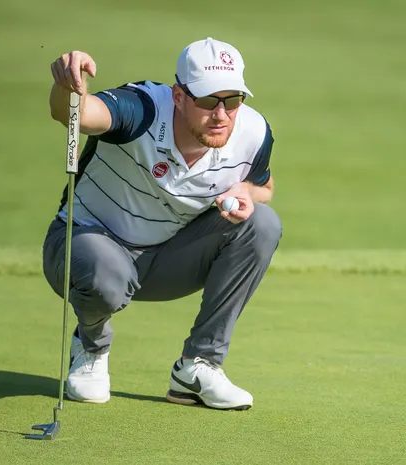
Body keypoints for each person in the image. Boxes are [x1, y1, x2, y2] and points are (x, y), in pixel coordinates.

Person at [45, 37, 282, 411]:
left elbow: (264, 188)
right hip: (84, 247)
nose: (221, 114)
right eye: (208, 101)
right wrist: (67, 85)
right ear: (178, 96)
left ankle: (198, 367)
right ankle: (91, 348)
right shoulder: (141, 109)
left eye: (233, 100)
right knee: (104, 271)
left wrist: (245, 190)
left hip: (165, 259)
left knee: (262, 224)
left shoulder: (253, 133)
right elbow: (77, 114)